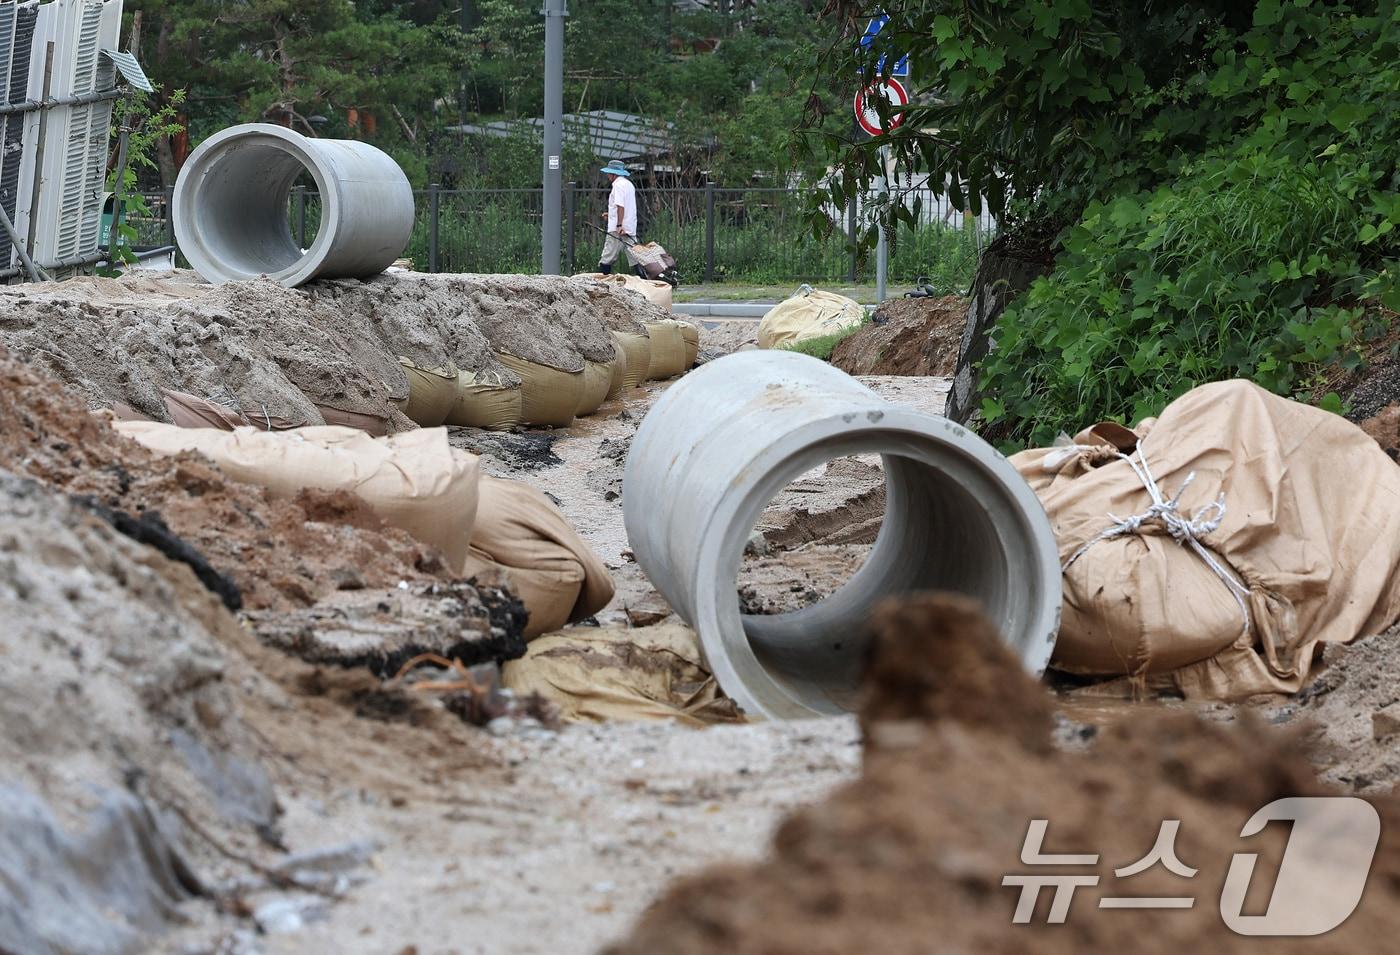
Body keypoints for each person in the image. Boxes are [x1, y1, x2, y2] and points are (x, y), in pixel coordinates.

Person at [597, 159, 637, 275]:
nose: (608, 175)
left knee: (607, 257)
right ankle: (647, 282)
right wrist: (610, 215)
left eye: (609, 173)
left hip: (617, 229)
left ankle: (603, 283)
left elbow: (620, 206)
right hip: (629, 227)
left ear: (613, 174)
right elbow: (626, 207)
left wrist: (619, 225)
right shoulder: (629, 185)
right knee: (636, 258)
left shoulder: (618, 186)